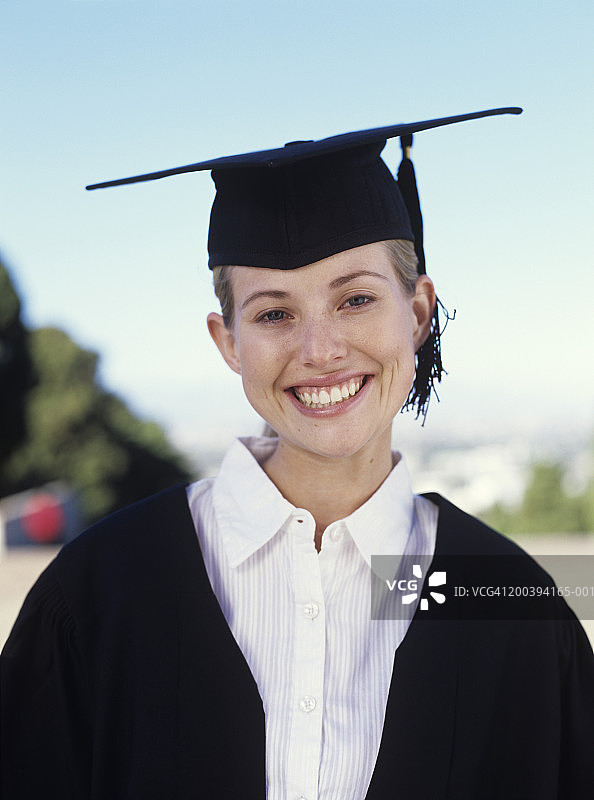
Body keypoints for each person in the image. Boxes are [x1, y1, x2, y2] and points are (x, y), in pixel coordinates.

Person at [1, 108, 593, 799]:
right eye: (274, 313)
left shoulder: (511, 605)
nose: (320, 351)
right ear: (228, 342)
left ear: (419, 313)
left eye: (356, 299)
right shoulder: (97, 594)